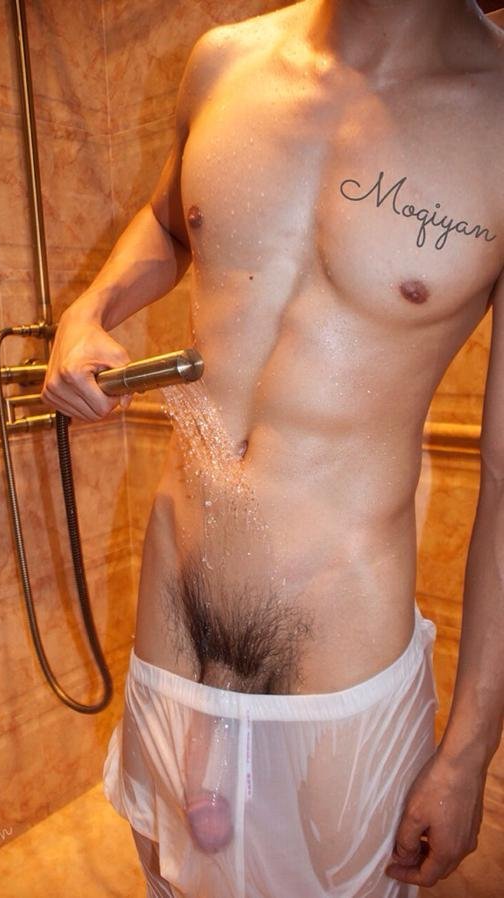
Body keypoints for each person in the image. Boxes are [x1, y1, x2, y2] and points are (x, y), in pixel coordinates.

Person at [42, 1, 504, 895]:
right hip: (175, 612)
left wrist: (470, 750)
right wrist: (88, 310)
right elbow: (170, 221)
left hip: (340, 646)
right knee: (172, 879)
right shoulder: (225, 63)